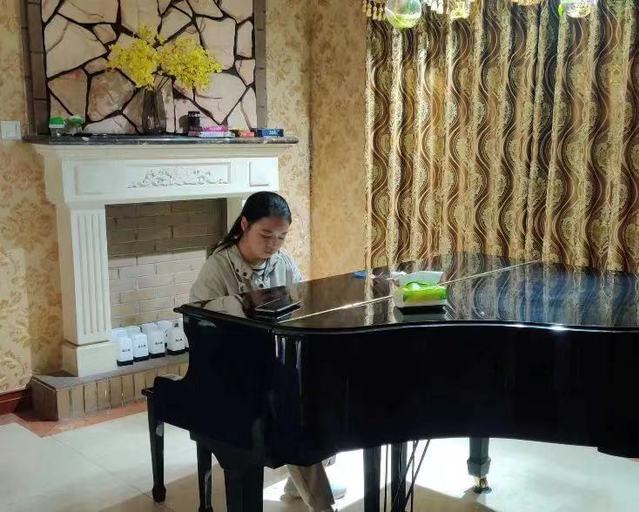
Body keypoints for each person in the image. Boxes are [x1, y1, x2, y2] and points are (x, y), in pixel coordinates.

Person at [190, 191, 345, 512]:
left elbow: (303, 308)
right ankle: (321, 503)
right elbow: (201, 329)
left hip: (277, 362)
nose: (274, 244)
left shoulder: (283, 263)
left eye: (281, 237)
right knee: (291, 409)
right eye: (265, 235)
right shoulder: (218, 268)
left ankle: (299, 480)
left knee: (333, 393)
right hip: (234, 370)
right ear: (244, 224)